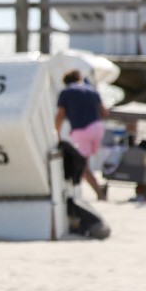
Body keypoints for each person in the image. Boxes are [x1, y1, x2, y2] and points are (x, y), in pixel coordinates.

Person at [55, 69, 110, 201]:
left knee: (81, 165)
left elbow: (60, 115)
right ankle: (78, 191)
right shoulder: (92, 90)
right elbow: (104, 113)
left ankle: (99, 193)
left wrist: (56, 133)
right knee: (84, 163)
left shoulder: (66, 92)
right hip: (97, 128)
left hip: (82, 130)